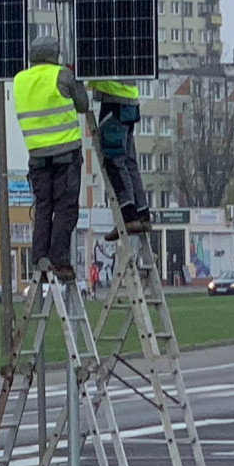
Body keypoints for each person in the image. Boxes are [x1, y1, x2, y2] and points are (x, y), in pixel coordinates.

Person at [14, 35, 88, 283]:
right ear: (54, 55)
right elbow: (83, 105)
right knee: (66, 208)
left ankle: (39, 259)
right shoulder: (62, 75)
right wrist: (74, 77)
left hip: (36, 157)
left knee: (44, 208)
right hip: (65, 155)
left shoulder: (20, 80)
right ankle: (60, 260)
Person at [91, 80, 153, 241]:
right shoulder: (126, 55)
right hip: (130, 101)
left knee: (114, 160)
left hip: (114, 101)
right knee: (129, 162)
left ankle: (128, 215)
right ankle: (142, 213)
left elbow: (91, 72)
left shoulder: (105, 54)